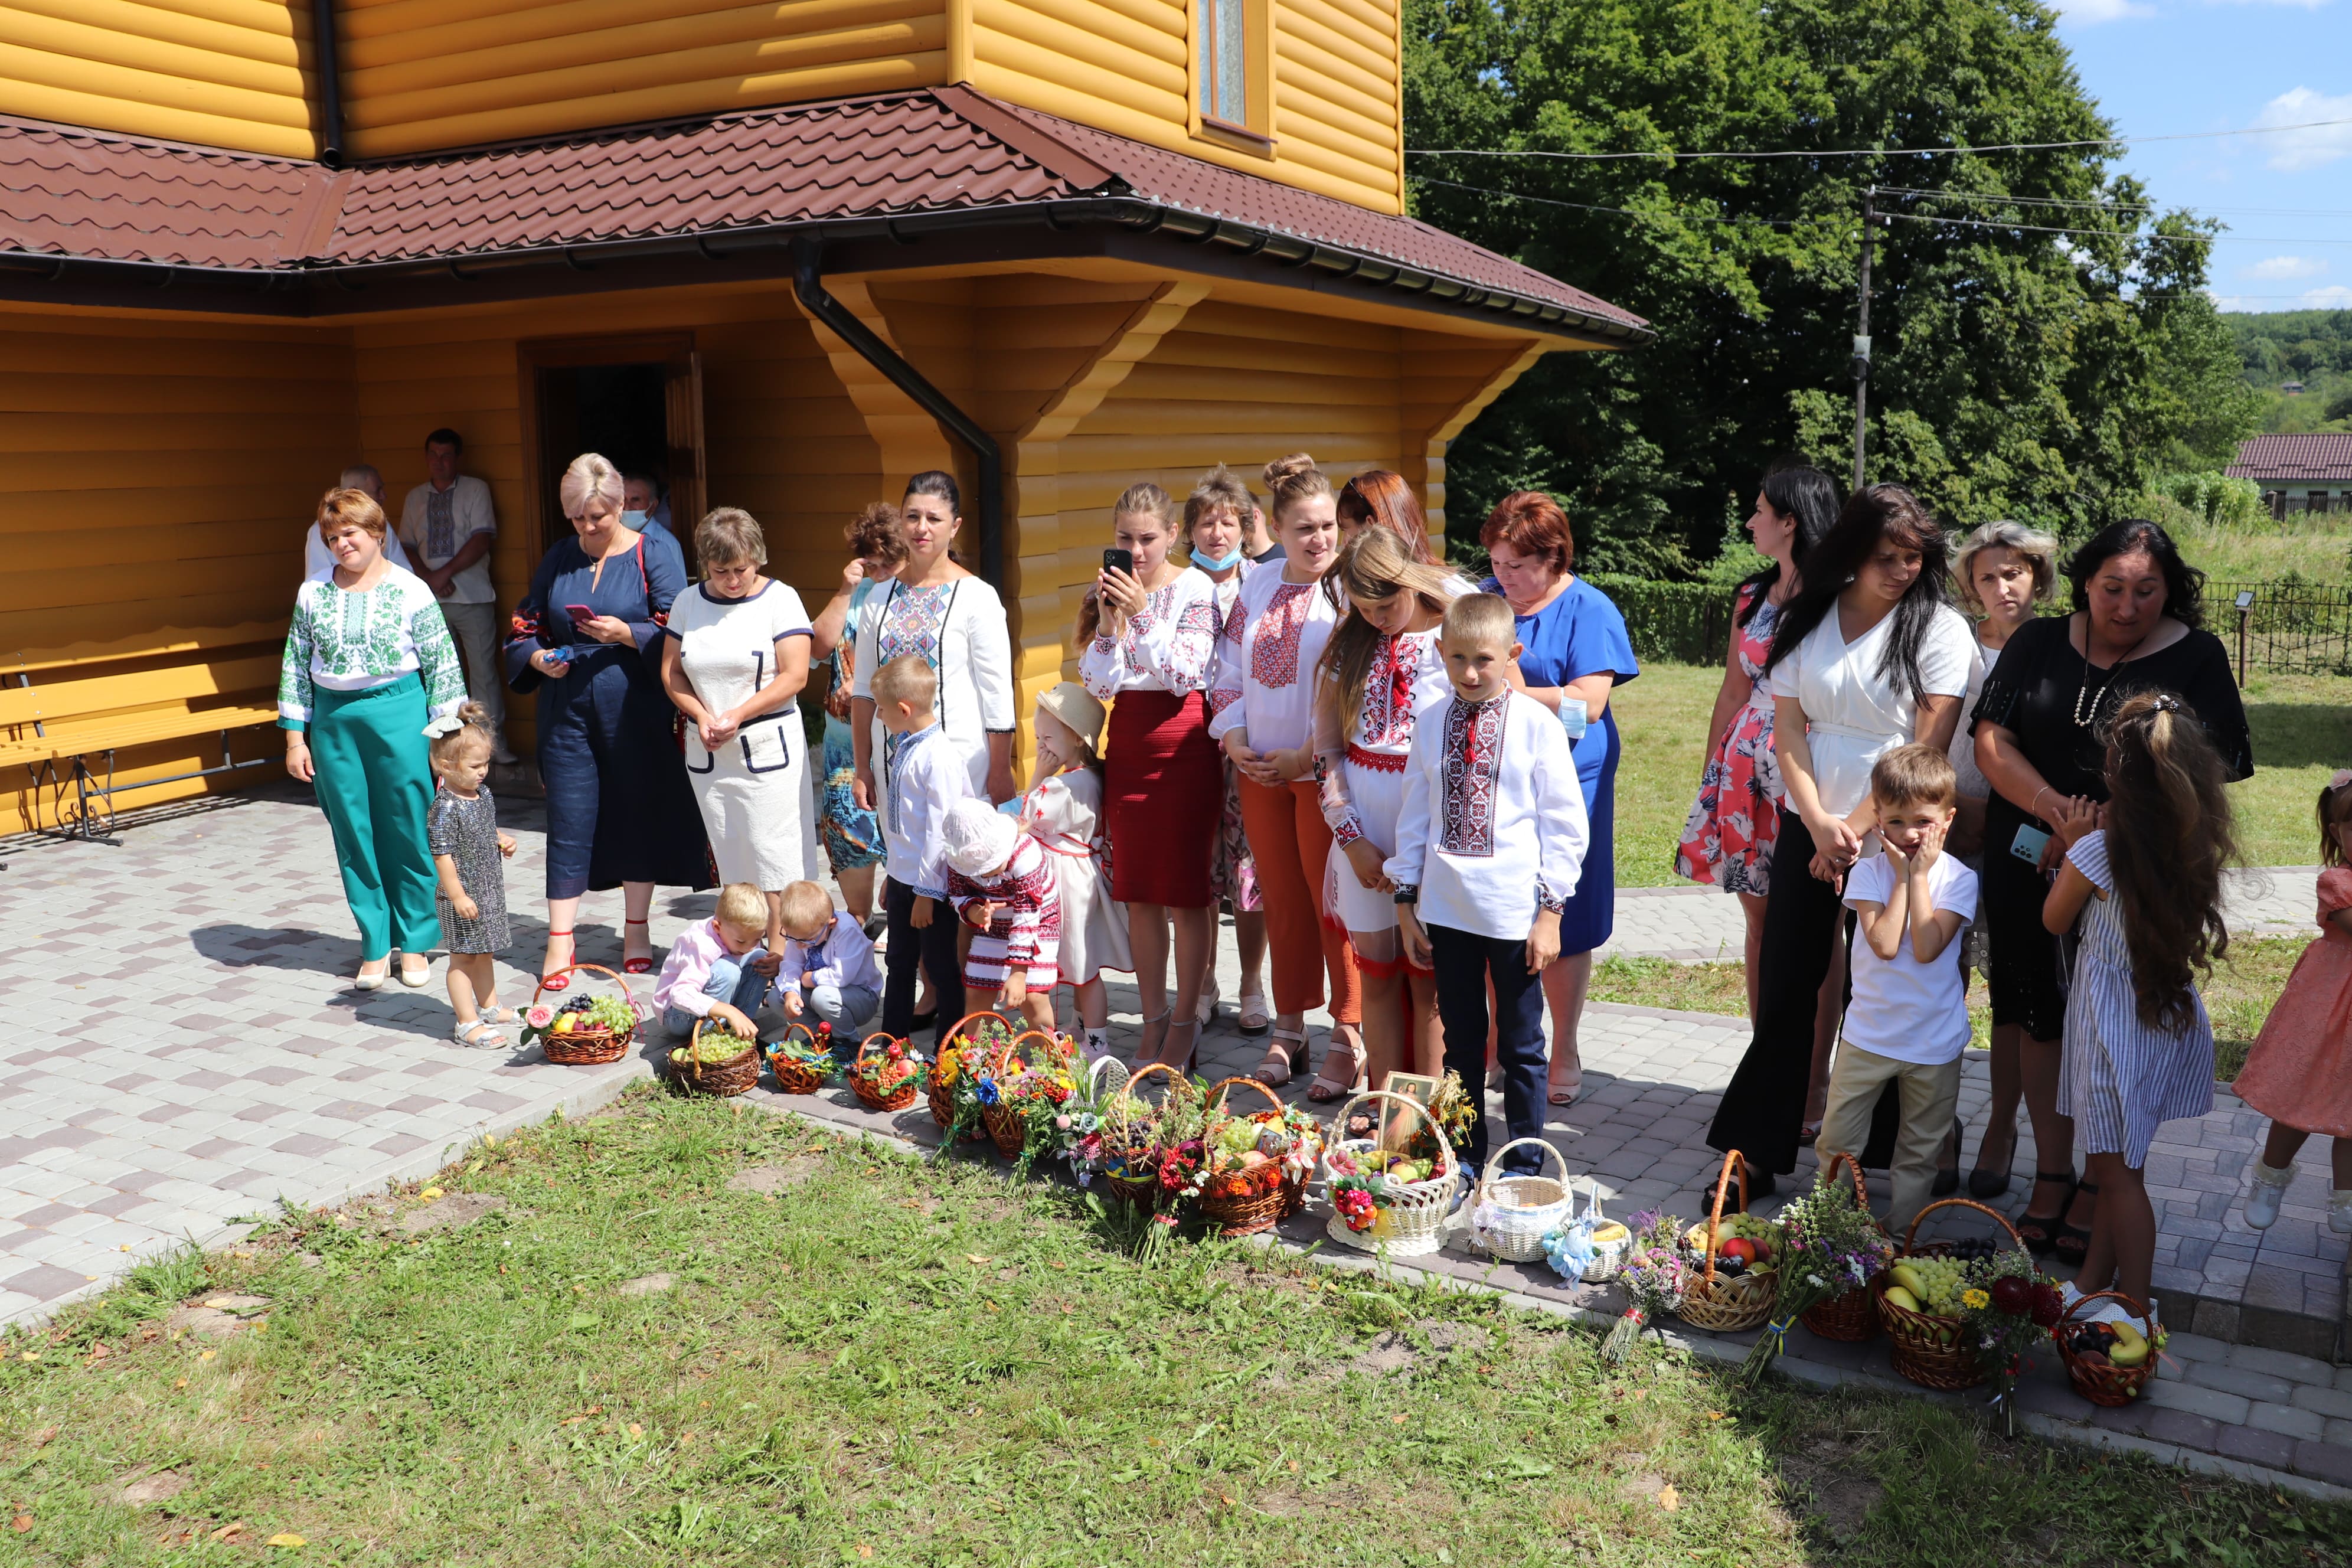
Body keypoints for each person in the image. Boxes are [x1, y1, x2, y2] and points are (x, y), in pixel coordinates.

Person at [1971, 518, 2250, 1260]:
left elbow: (2212, 770)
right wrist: (2057, 814)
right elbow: (1991, 740)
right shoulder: (2037, 641)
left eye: (2147, 590)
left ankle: (2106, 1179)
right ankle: (2053, 1172)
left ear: (2171, 589)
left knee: (2115, 1022)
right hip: (2027, 851)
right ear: (2085, 582)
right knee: (2038, 1010)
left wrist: (2106, 832)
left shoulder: (2198, 655)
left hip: (2137, 871)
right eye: (2112, 588)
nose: (2127, 606)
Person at [1706, 484, 1976, 1206]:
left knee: (1885, 984)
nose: (1903, 570)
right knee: (1786, 984)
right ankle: (1757, 1151)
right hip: (1810, 822)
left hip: (1898, 832)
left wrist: (1855, 828)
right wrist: (1819, 821)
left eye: (1915, 557)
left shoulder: (1941, 629)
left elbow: (1926, 746)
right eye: (1887, 556)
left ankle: (1892, 1152)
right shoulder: (1809, 615)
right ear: (1851, 553)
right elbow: (1788, 729)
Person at [2042, 692, 2231, 1314]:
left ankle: (2136, 1307)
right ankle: (2092, 1282)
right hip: (2154, 1017)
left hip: (2110, 1030)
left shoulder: (2099, 851)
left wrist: (2074, 842)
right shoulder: (2187, 846)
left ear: (2115, 771)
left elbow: (2054, 919)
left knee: (2118, 1177)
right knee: (2121, 1167)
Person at [1390, 593, 1588, 1181]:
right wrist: (1406, 902)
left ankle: (1524, 1166)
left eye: (1484, 659)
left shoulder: (1537, 725)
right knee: (1461, 1043)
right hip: (1447, 911)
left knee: (1522, 1045)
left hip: (1514, 915)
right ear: (1439, 652)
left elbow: (1563, 822)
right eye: (1458, 658)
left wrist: (1551, 913)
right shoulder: (1430, 723)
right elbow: (1414, 816)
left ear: (1512, 654)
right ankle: (1467, 1158)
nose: (1471, 673)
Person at [504, 452, 712, 986]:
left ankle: (637, 926)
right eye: (578, 518)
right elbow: (527, 621)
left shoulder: (654, 550)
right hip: (566, 704)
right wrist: (535, 657)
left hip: (636, 705)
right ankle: (560, 940)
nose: (588, 527)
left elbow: (679, 626)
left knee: (634, 811)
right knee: (568, 817)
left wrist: (628, 633)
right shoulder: (559, 556)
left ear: (621, 506)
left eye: (597, 516)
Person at [1208, 453, 1363, 1098]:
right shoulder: (1257, 585)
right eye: (1304, 528)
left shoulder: (1352, 590)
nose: (1320, 539)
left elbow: (1359, 685)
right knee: (1283, 900)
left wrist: (1309, 753)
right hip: (1261, 774)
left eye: (1328, 526)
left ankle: (1349, 1033)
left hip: (1325, 775)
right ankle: (1291, 1027)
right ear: (1274, 529)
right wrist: (1234, 736)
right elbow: (1226, 668)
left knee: (1335, 903)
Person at [1479, 491, 1639, 1108]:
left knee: (1565, 911)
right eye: (1497, 563)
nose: (1504, 577)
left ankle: (1564, 1046)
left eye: (1517, 566)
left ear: (1553, 558)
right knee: (1498, 909)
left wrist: (1515, 694)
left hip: (1574, 778)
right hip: (1498, 777)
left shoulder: (1589, 609)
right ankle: (1501, 1038)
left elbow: (1587, 708)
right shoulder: (1488, 602)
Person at [279, 486, 465, 991]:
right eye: (332, 537)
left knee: (407, 827)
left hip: (400, 715)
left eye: (350, 533)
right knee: (353, 833)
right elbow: (295, 665)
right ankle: (375, 944)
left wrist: (445, 744)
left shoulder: (411, 589)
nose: (342, 545)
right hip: (334, 722)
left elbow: (444, 668)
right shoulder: (312, 592)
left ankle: (416, 941)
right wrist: (296, 738)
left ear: (377, 533)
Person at [1674, 465, 1840, 1024]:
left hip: (1810, 766)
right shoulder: (1751, 594)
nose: (1750, 522)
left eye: (1760, 511)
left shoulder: (1839, 597)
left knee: (1816, 928)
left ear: (1790, 521)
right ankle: (1764, 1052)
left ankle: (1814, 1068)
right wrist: (1712, 778)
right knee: (1759, 921)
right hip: (1743, 772)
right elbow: (1732, 690)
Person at [1079, 481, 1221, 1068]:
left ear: (1172, 535)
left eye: (1148, 538)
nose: (1136, 551)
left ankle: (1186, 1021)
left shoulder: (1196, 587)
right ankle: (1153, 1017)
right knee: (1138, 895)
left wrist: (1141, 616)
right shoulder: (1112, 587)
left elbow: (1185, 673)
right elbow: (1099, 682)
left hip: (1185, 745)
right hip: (1130, 744)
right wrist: (1108, 624)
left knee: (1185, 894)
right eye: (1125, 538)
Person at [1315, 527, 1461, 1090]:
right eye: (1362, 607)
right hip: (1364, 832)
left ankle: (1420, 1115)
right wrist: (1351, 839)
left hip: (1432, 830)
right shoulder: (1347, 647)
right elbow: (1326, 752)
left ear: (1411, 581)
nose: (1376, 618)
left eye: (1386, 605)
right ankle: (1380, 1107)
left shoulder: (1453, 636)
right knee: (1375, 976)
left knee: (1428, 979)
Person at [1942, 520, 2060, 1199]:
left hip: (2023, 835)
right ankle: (1937, 1122)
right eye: (1986, 576)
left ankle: (2002, 1126)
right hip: (1948, 826)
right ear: (1970, 586)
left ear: (2037, 576)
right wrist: (1952, 807)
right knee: (1940, 975)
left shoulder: (2059, 646)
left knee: (2012, 984)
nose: (2001, 586)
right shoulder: (1953, 643)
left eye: (2013, 572)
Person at [1817, 745, 1978, 1233]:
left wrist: (1919, 876)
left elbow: (1927, 947)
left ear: (1948, 820)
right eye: (1895, 822)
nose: (1909, 834)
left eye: (1923, 822)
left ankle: (1901, 1231)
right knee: (1838, 1139)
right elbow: (1886, 944)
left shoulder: (1960, 879)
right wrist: (1904, 880)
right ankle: (1828, 1229)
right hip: (1868, 1037)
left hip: (1934, 1043)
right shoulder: (1868, 873)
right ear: (1878, 820)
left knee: (1920, 1148)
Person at [659, 507, 814, 953]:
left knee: (774, 856)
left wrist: (739, 714)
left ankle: (783, 954)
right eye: (720, 570)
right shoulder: (688, 602)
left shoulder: (781, 599)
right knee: (732, 856)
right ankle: (741, 951)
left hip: (768, 749)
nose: (731, 580)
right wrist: (701, 715)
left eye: (741, 570)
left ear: (758, 559)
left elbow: (795, 675)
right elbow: (672, 673)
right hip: (710, 751)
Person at [850, 471, 1018, 814]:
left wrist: (1001, 769)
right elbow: (864, 690)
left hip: (963, 766)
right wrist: (862, 767)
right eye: (913, 516)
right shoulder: (878, 598)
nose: (921, 528)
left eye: (934, 519)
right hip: (891, 766)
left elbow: (997, 692)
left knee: (957, 846)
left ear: (955, 526)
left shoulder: (978, 597)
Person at [2236, 773, 2352, 1234]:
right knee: (2300, 1096)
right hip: (2328, 1009)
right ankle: (2270, 1177)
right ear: (2336, 833)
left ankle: (2346, 1200)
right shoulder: (2337, 882)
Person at [1185, 468, 1271, 1036]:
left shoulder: (1263, 582)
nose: (1217, 533)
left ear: (1246, 527)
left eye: (1228, 522)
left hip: (1248, 739)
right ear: (1188, 530)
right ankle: (1202, 984)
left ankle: (1252, 984)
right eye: (1206, 523)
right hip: (1191, 738)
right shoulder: (1174, 583)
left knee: (1247, 867)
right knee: (1199, 866)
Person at [1019, 682, 1130, 1061]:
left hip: (1067, 880)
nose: (1041, 746)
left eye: (1048, 738)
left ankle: (1098, 1044)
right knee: (1079, 960)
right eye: (1038, 737)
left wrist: (1038, 775)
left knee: (1082, 966)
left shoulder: (1062, 786)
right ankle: (1080, 1027)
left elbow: (1025, 817)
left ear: (1078, 739)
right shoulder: (1090, 777)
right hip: (1081, 874)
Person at [809, 504, 907, 927]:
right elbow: (817, 648)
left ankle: (901, 918)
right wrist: (845, 590)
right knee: (847, 832)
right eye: (872, 564)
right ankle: (859, 922)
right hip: (843, 744)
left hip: (896, 740)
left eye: (889, 565)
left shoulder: (915, 599)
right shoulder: (859, 594)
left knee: (901, 831)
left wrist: (869, 688)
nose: (880, 573)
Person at [872, 652, 969, 1048]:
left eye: (881, 709)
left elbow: (940, 832)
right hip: (903, 879)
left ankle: (951, 1052)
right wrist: (892, 875)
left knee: (941, 967)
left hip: (931, 886)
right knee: (898, 963)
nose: (878, 716)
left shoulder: (939, 757)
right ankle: (892, 1045)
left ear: (904, 709)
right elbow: (905, 829)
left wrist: (928, 893)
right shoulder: (907, 746)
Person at [398, 429, 513, 763]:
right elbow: (406, 546)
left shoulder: (475, 489)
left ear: (457, 458)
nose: (439, 462)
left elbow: (481, 538)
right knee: (439, 677)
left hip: (472, 596)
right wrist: (429, 579)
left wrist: (443, 574)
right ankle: (447, 751)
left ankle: (491, 747)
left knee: (483, 674)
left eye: (446, 455)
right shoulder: (415, 497)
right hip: (428, 601)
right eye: (433, 455)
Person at [426, 703, 518, 1050]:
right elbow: (442, 854)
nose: (483, 772)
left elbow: (483, 829)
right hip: (461, 896)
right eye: (475, 766)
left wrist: (501, 839)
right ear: (446, 766)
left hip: (487, 889)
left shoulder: (483, 795)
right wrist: (458, 896)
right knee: (462, 959)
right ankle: (466, 1023)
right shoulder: (445, 807)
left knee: (484, 952)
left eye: (486, 764)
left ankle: (490, 1007)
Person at [943, 799, 1061, 1033]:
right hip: (993, 926)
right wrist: (976, 913)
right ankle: (977, 1054)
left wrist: (1018, 974)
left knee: (1033, 997)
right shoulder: (957, 860)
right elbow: (956, 894)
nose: (985, 876)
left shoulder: (1026, 855)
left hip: (1037, 923)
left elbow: (1027, 916)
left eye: (990, 867)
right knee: (977, 992)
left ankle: (1047, 1053)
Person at [654, 883, 782, 1043]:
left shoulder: (738, 933)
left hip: (712, 1001)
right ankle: (710, 1038)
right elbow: (680, 995)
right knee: (727, 970)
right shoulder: (701, 944)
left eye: (757, 940)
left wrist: (778, 964)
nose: (748, 947)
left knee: (760, 957)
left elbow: (751, 954)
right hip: (678, 1015)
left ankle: (741, 1031)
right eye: (741, 941)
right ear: (717, 927)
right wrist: (729, 1011)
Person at [776, 879, 883, 1041]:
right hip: (821, 992)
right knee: (777, 996)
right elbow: (791, 965)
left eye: (807, 940)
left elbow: (841, 976)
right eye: (792, 938)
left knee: (822, 996)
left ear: (831, 924)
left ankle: (848, 1041)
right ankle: (821, 1037)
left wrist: (809, 979)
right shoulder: (802, 934)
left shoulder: (847, 930)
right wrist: (790, 993)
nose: (799, 945)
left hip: (861, 995)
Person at [305, 465, 411, 579]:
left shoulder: (383, 524)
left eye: (350, 533)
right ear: (354, 493)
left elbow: (404, 573)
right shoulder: (320, 530)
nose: (383, 496)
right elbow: (317, 581)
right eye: (378, 490)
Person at [1335, 468, 1441, 566]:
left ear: (1371, 524)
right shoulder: (1445, 578)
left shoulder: (1355, 579)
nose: (1344, 542)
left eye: (1345, 529)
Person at [622, 471, 682, 561]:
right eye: (623, 499)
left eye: (635, 500)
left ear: (653, 505)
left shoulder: (667, 543)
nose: (627, 507)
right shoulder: (610, 538)